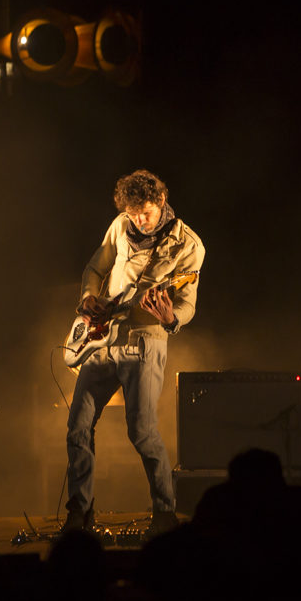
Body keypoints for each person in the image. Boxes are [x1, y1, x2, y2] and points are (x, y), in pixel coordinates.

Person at [64, 169, 205, 535]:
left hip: (145, 342)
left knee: (141, 431)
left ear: (161, 200)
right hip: (101, 341)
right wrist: (88, 298)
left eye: (145, 212)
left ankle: (164, 512)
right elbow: (95, 268)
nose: (139, 221)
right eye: (132, 214)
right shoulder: (120, 225)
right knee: (77, 427)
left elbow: (187, 303)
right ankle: (80, 512)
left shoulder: (188, 245)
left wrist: (171, 317)